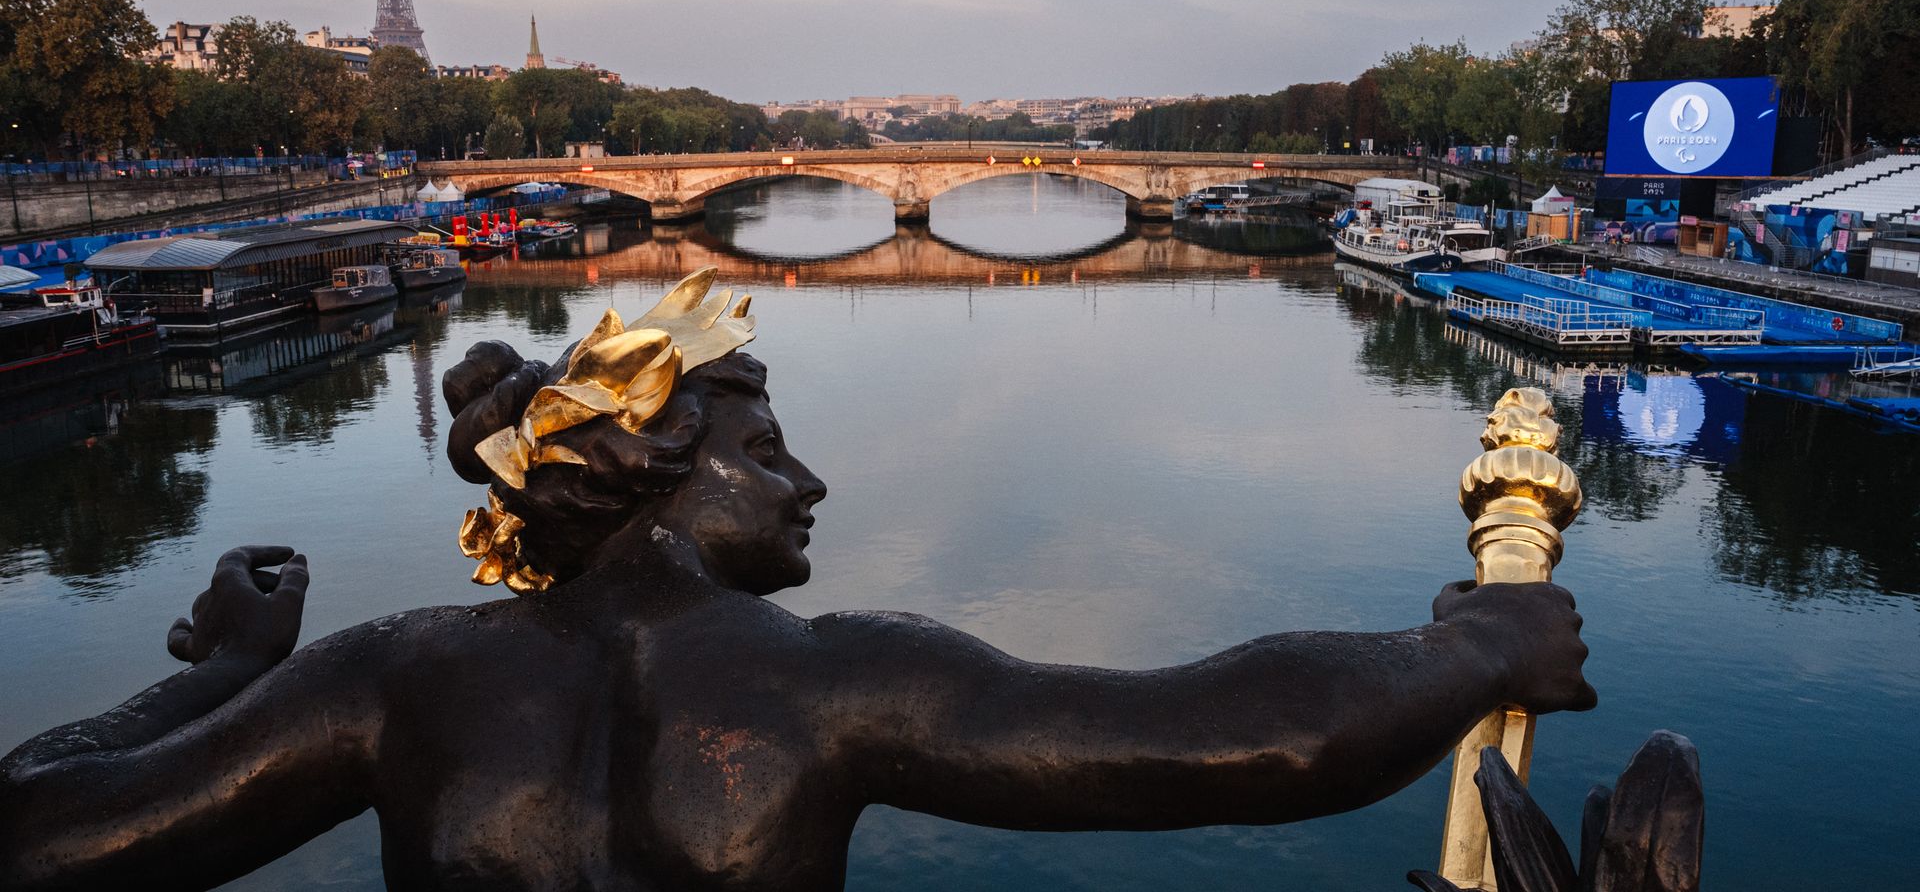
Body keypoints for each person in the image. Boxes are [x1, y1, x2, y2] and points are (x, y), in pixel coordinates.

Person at [0, 270, 1593, 891]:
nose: (810, 481)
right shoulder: (825, 677)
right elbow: (1246, 737)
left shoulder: (392, 674)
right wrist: (1475, 639)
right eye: (770, 447)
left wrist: (215, 679)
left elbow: (43, 837)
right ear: (660, 459)